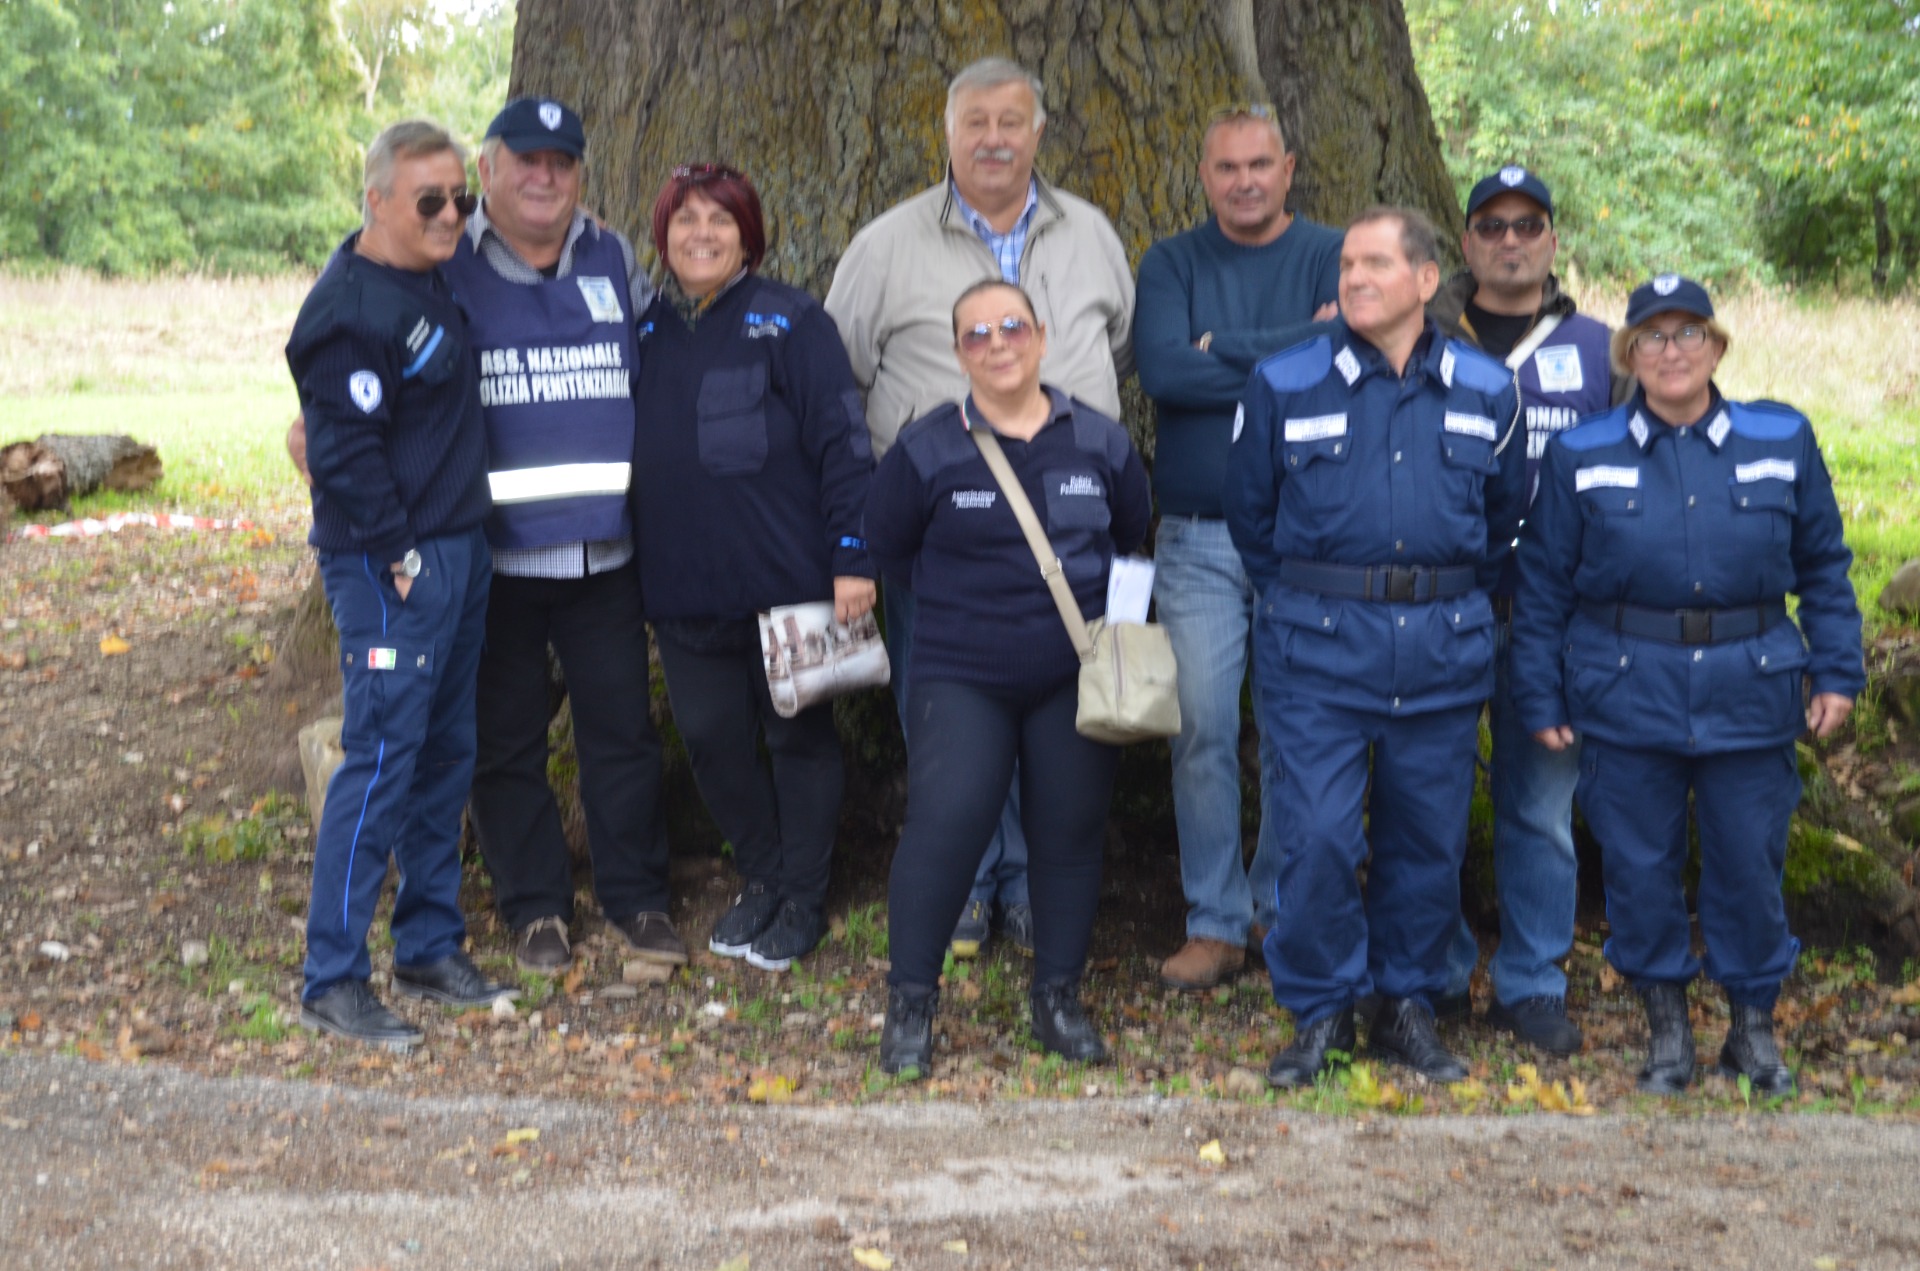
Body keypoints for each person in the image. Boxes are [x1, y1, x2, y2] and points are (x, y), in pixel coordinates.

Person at [1511, 275, 1863, 1096]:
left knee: (1748, 863)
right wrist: (1539, 692)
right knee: (1640, 867)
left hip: (1750, 689)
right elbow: (1544, 586)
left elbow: (1823, 564)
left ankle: (1752, 1026)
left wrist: (1838, 667)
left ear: (1717, 346)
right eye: (1653, 338)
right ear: (1628, 355)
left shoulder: (1781, 437)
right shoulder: (1582, 452)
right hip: (1627, 690)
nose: (1672, 351)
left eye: (1689, 333)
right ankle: (1666, 1026)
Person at [825, 56, 1135, 960]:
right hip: (944, 535)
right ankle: (971, 878)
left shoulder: (1092, 234)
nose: (994, 139)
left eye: (1011, 122)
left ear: (1038, 132)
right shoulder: (886, 245)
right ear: (948, 133)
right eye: (976, 123)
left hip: (1071, 541)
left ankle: (1036, 885)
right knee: (953, 723)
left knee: (1061, 722)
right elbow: (841, 373)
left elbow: (1116, 342)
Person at [1225, 207, 1526, 1087]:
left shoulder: (1485, 388)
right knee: (1317, 835)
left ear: (1426, 279)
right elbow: (1252, 518)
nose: (1354, 278)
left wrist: (1437, 595)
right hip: (1318, 653)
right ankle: (1323, 1009)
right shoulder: (1285, 381)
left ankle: (1406, 1003)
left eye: (1375, 264)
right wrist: (1320, 596)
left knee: (1426, 840)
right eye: (1348, 265)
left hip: (1440, 651)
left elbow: (1504, 519)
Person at [866, 280, 1151, 1076]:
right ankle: (911, 1002)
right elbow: (889, 545)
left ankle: (1057, 997)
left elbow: (1131, 530)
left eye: (1012, 327)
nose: (997, 344)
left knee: (1068, 833)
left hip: (1074, 676)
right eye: (977, 334)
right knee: (947, 823)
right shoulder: (926, 448)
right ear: (958, 353)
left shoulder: (1098, 441)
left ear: (1042, 337)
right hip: (962, 673)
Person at [287, 119, 512, 1045]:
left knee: (446, 753)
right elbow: (339, 452)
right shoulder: (348, 310)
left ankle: (427, 943)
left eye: (461, 197)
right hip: (394, 565)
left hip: (458, 548)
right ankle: (332, 977)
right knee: (379, 761)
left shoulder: (429, 276)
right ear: (376, 200)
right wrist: (400, 557)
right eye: (430, 200)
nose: (451, 215)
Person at [447, 97, 679, 974]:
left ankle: (638, 898)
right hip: (494, 557)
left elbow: (667, 360)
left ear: (581, 174)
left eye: (562, 162)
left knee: (621, 737)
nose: (545, 177)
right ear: (488, 169)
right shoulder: (446, 260)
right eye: (526, 160)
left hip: (603, 554)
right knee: (504, 742)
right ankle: (535, 905)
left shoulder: (614, 256)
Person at [629, 164, 875, 973]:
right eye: (685, 219)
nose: (701, 234)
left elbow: (844, 442)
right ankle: (765, 873)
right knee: (709, 738)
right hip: (682, 585)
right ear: (663, 236)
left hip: (787, 581)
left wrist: (853, 556)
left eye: (720, 220)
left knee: (797, 736)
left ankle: (804, 895)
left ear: (749, 236)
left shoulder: (792, 320)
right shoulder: (645, 331)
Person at [1133, 105, 1342, 991]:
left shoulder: (1334, 253)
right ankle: (1216, 920)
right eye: (1228, 167)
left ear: (1288, 169)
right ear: (1205, 176)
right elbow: (1163, 371)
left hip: (1310, 538)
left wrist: (1221, 348)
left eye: (1260, 164)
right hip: (1198, 535)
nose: (1245, 181)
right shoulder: (1171, 262)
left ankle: (1279, 909)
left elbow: (1346, 353)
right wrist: (1297, 345)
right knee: (1203, 729)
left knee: (1300, 730)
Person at [1427, 165, 1626, 1053]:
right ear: (1466, 242)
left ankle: (1532, 979)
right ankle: (1434, 970)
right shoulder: (1423, 336)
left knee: (1541, 807)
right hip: (1444, 606)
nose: (1510, 241)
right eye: (1492, 225)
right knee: (1427, 799)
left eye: (1527, 225)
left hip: (1554, 617)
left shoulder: (1603, 350)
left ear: (1552, 240)